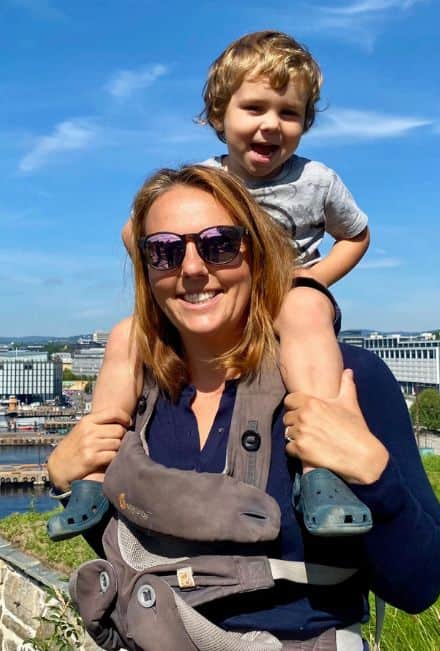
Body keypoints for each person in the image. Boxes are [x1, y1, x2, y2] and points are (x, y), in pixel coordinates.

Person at [46, 165, 440, 649]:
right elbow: (141, 559)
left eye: (220, 244)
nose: (193, 268)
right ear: (146, 270)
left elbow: (421, 584)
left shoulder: (349, 379)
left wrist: (373, 473)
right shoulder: (138, 395)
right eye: (165, 251)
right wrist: (64, 480)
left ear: (256, 253)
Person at [47, 30, 372, 541]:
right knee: (124, 336)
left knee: (305, 314)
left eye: (288, 113)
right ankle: (91, 465)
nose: (270, 125)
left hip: (287, 298)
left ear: (306, 122)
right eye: (254, 108)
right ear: (219, 118)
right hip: (220, 308)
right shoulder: (200, 180)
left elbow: (356, 235)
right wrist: (176, 283)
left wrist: (313, 280)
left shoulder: (318, 182)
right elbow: (135, 232)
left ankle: (319, 468)